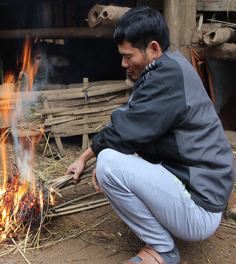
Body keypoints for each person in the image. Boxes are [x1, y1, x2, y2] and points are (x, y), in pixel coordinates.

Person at [66, 6, 235, 264]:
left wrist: (92, 159)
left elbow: (123, 131)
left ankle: (162, 249)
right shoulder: (168, 67)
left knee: (109, 165)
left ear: (153, 49)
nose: (123, 63)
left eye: (127, 56)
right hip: (199, 191)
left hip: (199, 208)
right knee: (110, 160)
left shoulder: (166, 77)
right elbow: (128, 121)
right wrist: (85, 157)